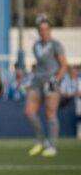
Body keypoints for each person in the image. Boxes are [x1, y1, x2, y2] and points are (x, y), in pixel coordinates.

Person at [25, 17, 68, 157]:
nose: (44, 32)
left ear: (50, 30)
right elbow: (40, 65)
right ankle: (42, 141)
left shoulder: (56, 45)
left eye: (46, 29)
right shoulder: (35, 46)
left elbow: (63, 65)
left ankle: (52, 145)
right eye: (41, 30)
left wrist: (55, 80)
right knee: (29, 112)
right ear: (38, 31)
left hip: (51, 81)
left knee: (50, 113)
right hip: (37, 81)